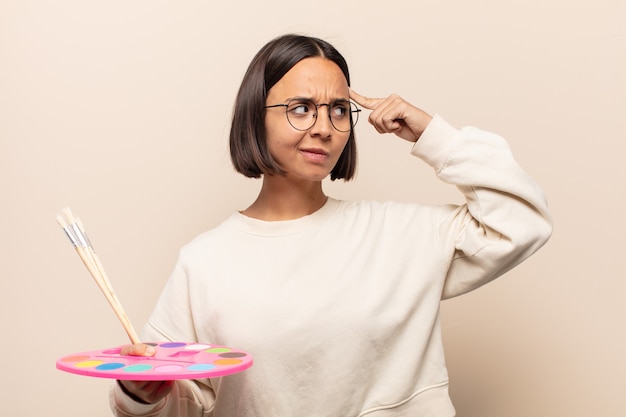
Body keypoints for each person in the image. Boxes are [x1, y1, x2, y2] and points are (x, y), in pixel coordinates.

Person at [109, 34, 552, 417]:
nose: (324, 127)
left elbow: (522, 221)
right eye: (301, 108)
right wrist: (138, 394)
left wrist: (432, 135)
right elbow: (181, 402)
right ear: (254, 115)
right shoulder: (204, 261)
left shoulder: (399, 235)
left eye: (339, 110)